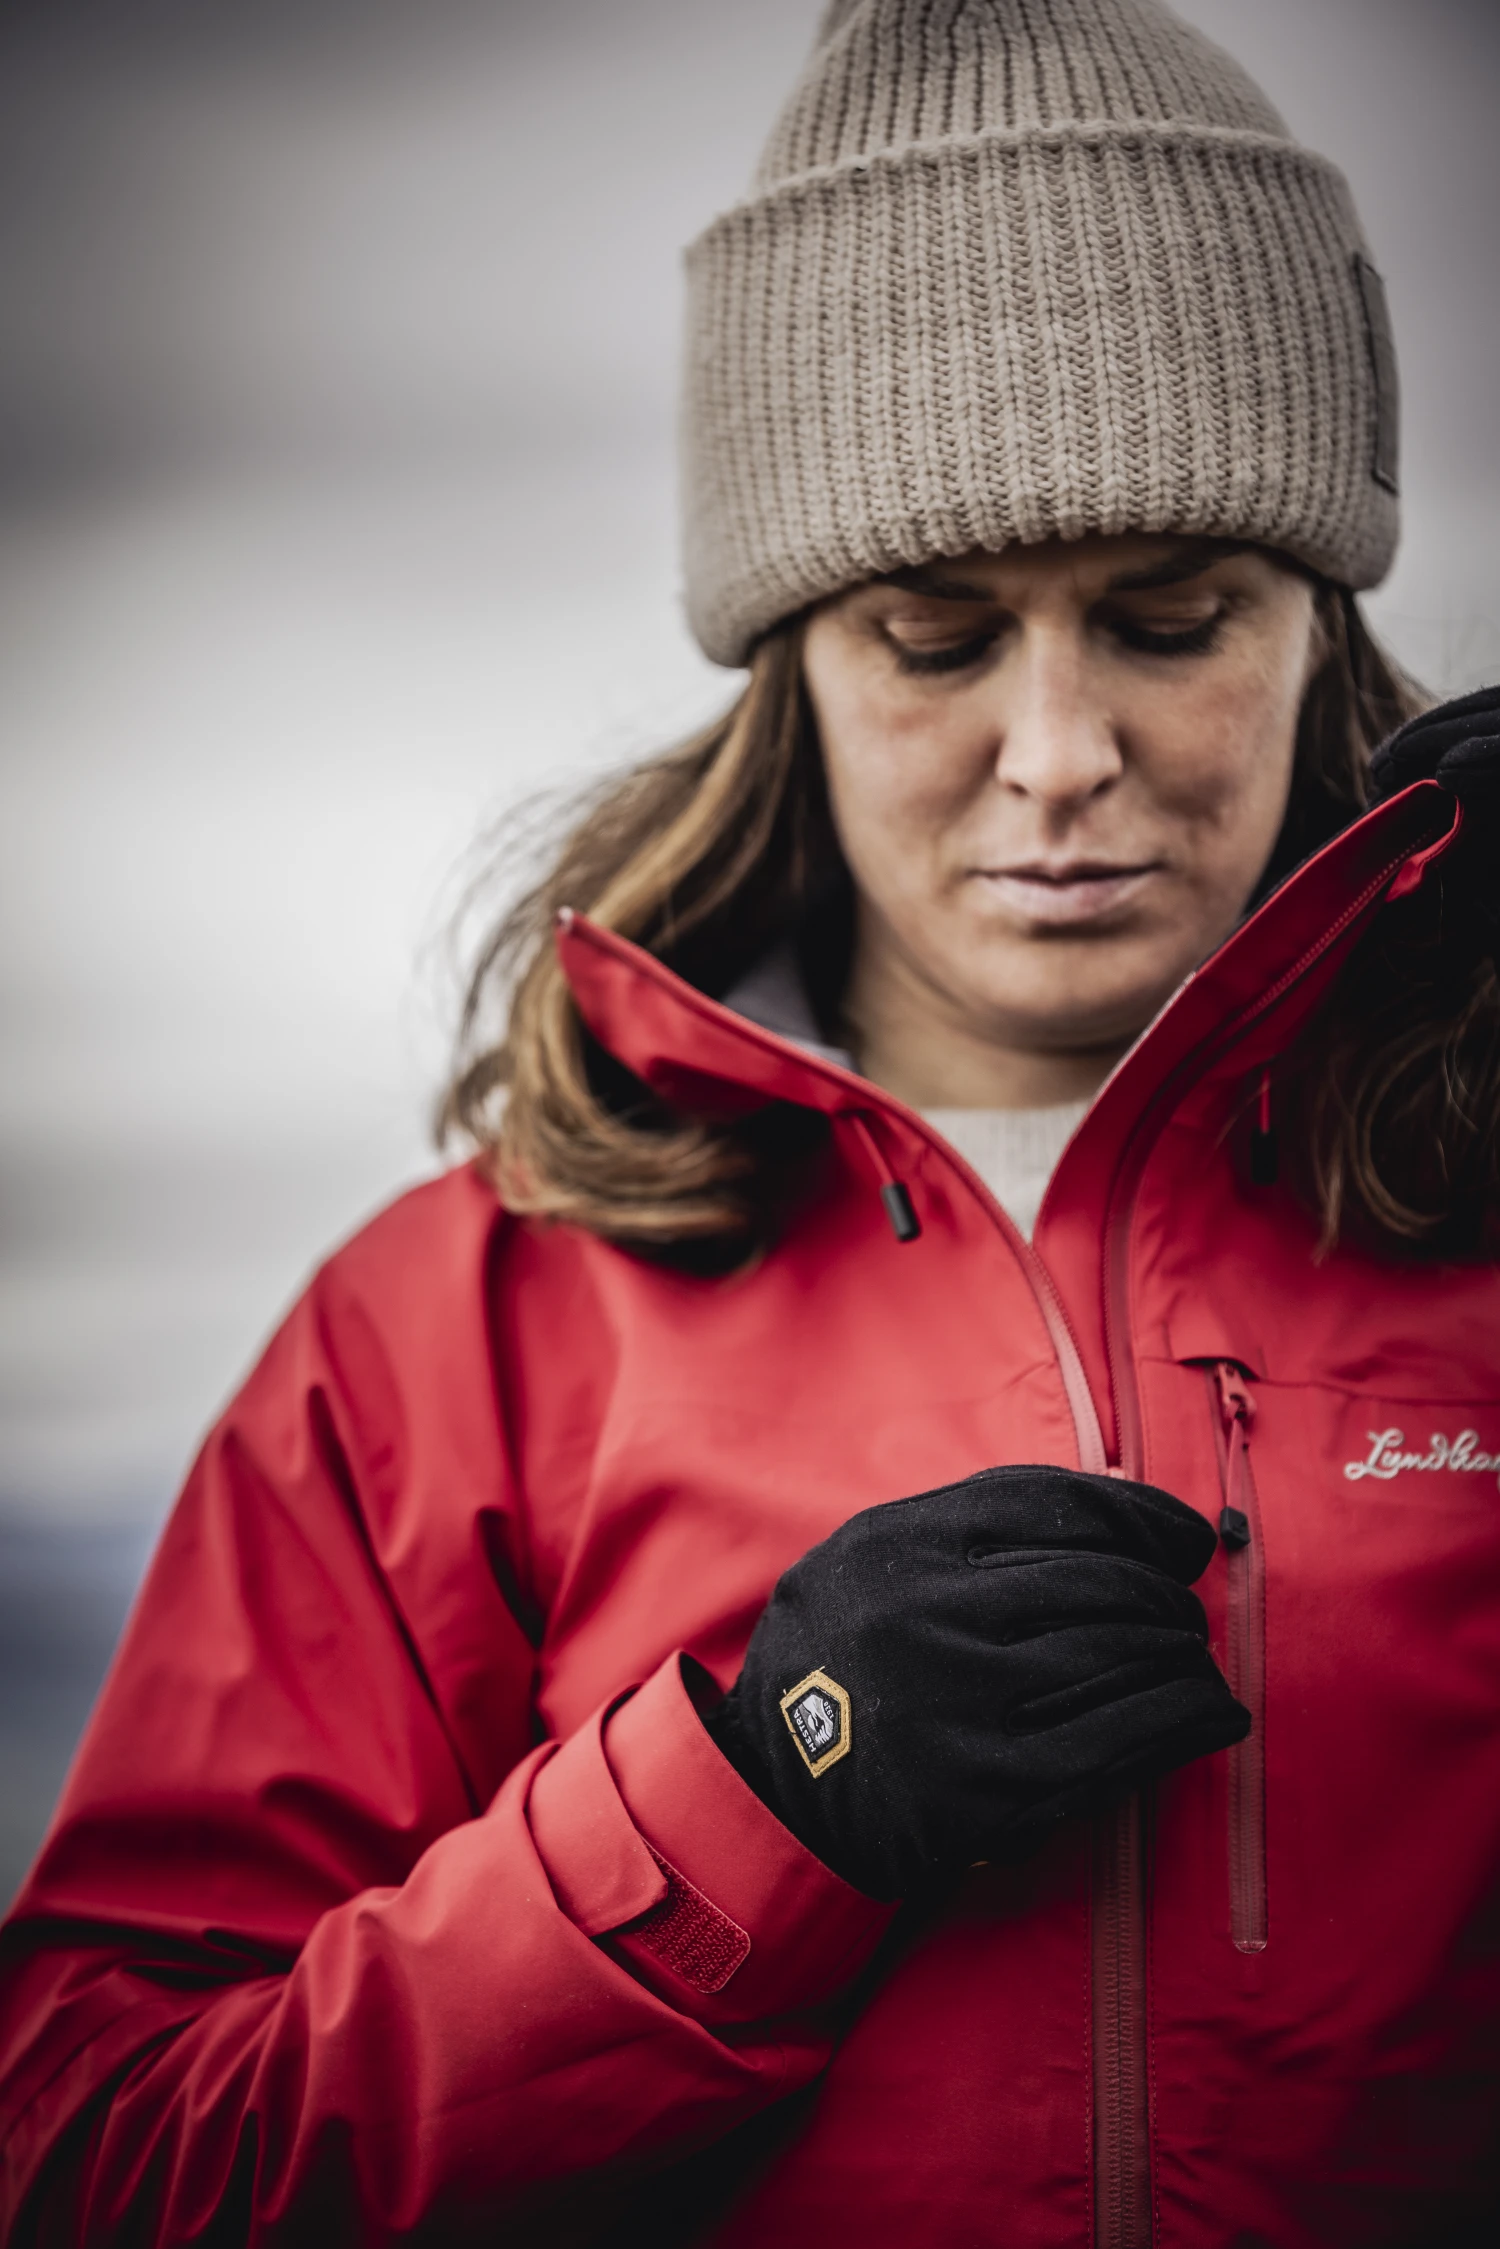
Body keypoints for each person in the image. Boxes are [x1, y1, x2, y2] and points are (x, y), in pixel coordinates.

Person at [2, 1, 1498, 2242]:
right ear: (790, 662)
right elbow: (95, 2153)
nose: (1059, 751)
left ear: (1321, 622)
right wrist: (764, 1799)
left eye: (1172, 618)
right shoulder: (454, 1331)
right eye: (936, 637)